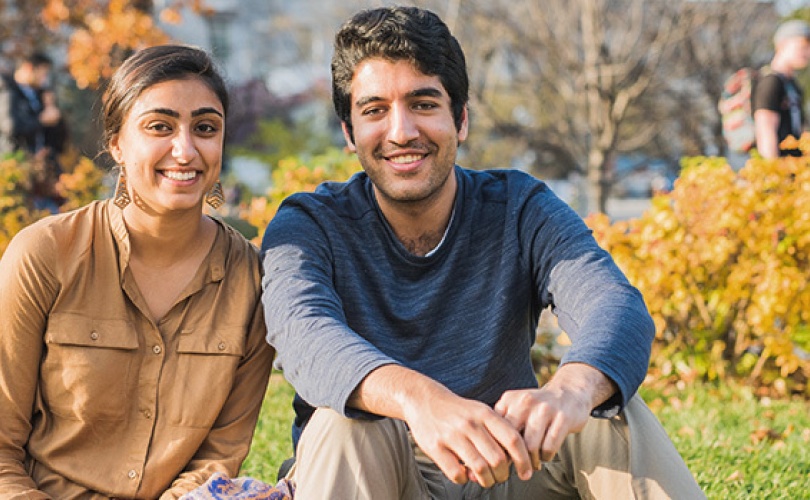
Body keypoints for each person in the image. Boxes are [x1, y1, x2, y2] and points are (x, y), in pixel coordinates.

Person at [261, 6, 703, 499]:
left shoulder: (519, 207)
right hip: (384, 473)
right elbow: (302, 334)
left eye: (423, 104)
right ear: (349, 133)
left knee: (608, 410)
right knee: (347, 425)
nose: (402, 131)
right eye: (374, 110)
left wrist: (571, 391)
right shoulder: (310, 224)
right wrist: (420, 400)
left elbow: (612, 304)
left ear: (461, 119)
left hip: (508, 466)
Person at [0, 45, 274, 498]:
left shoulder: (252, 282)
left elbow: (216, 459)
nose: (185, 150)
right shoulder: (45, 255)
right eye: (159, 127)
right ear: (117, 144)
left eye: (205, 128)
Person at [0, 52, 66, 211]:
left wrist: (51, 108)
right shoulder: (9, 93)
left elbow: (59, 137)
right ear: (29, 68)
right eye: (43, 74)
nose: (45, 79)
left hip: (42, 170)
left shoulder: (40, 95)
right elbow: (11, 127)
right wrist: (41, 120)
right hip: (17, 166)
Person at [753, 19, 810, 158]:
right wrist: (775, 173)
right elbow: (765, 133)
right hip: (780, 169)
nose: (807, 52)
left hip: (796, 165)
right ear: (782, 45)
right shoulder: (771, 82)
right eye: (802, 46)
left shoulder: (792, 85)